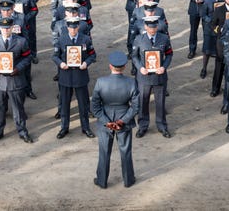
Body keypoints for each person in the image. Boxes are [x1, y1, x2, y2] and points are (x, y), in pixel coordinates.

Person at [91, 51, 139, 189]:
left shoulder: (101, 82)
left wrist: (107, 121)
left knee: (104, 152)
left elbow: (95, 106)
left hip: (105, 122)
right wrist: (122, 121)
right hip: (124, 121)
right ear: (124, 67)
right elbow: (135, 107)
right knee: (126, 151)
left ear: (110, 66)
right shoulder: (131, 82)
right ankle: (128, 180)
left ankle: (102, 181)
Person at [0, 17, 34, 144]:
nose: (6, 30)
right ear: (0, 28)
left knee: (18, 109)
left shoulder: (21, 41)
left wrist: (18, 68)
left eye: (8, 28)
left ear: (12, 28)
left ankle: (22, 131)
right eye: (3, 28)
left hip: (15, 79)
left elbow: (28, 57)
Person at [52, 17, 96, 139]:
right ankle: (64, 128)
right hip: (65, 77)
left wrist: (86, 63)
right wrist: (61, 63)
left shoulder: (85, 39)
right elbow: (55, 56)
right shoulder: (61, 40)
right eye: (71, 28)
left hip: (80, 76)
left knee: (83, 104)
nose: (73, 30)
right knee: (65, 104)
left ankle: (86, 128)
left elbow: (92, 55)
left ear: (78, 27)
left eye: (75, 27)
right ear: (67, 28)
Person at [132, 16, 173, 138]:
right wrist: (140, 67)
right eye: (150, 27)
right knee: (143, 101)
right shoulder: (139, 39)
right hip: (144, 77)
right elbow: (134, 56)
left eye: (154, 27)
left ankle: (162, 126)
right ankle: (143, 126)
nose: (152, 30)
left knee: (160, 102)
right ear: (145, 27)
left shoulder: (164, 38)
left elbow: (169, 54)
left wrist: (164, 67)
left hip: (159, 76)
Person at [200, 0, 225, 79]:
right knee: (207, 50)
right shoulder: (207, 1)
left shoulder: (224, 0)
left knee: (220, 50)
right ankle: (204, 68)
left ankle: (220, 69)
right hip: (209, 29)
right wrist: (211, 21)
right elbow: (203, 15)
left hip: (220, 29)